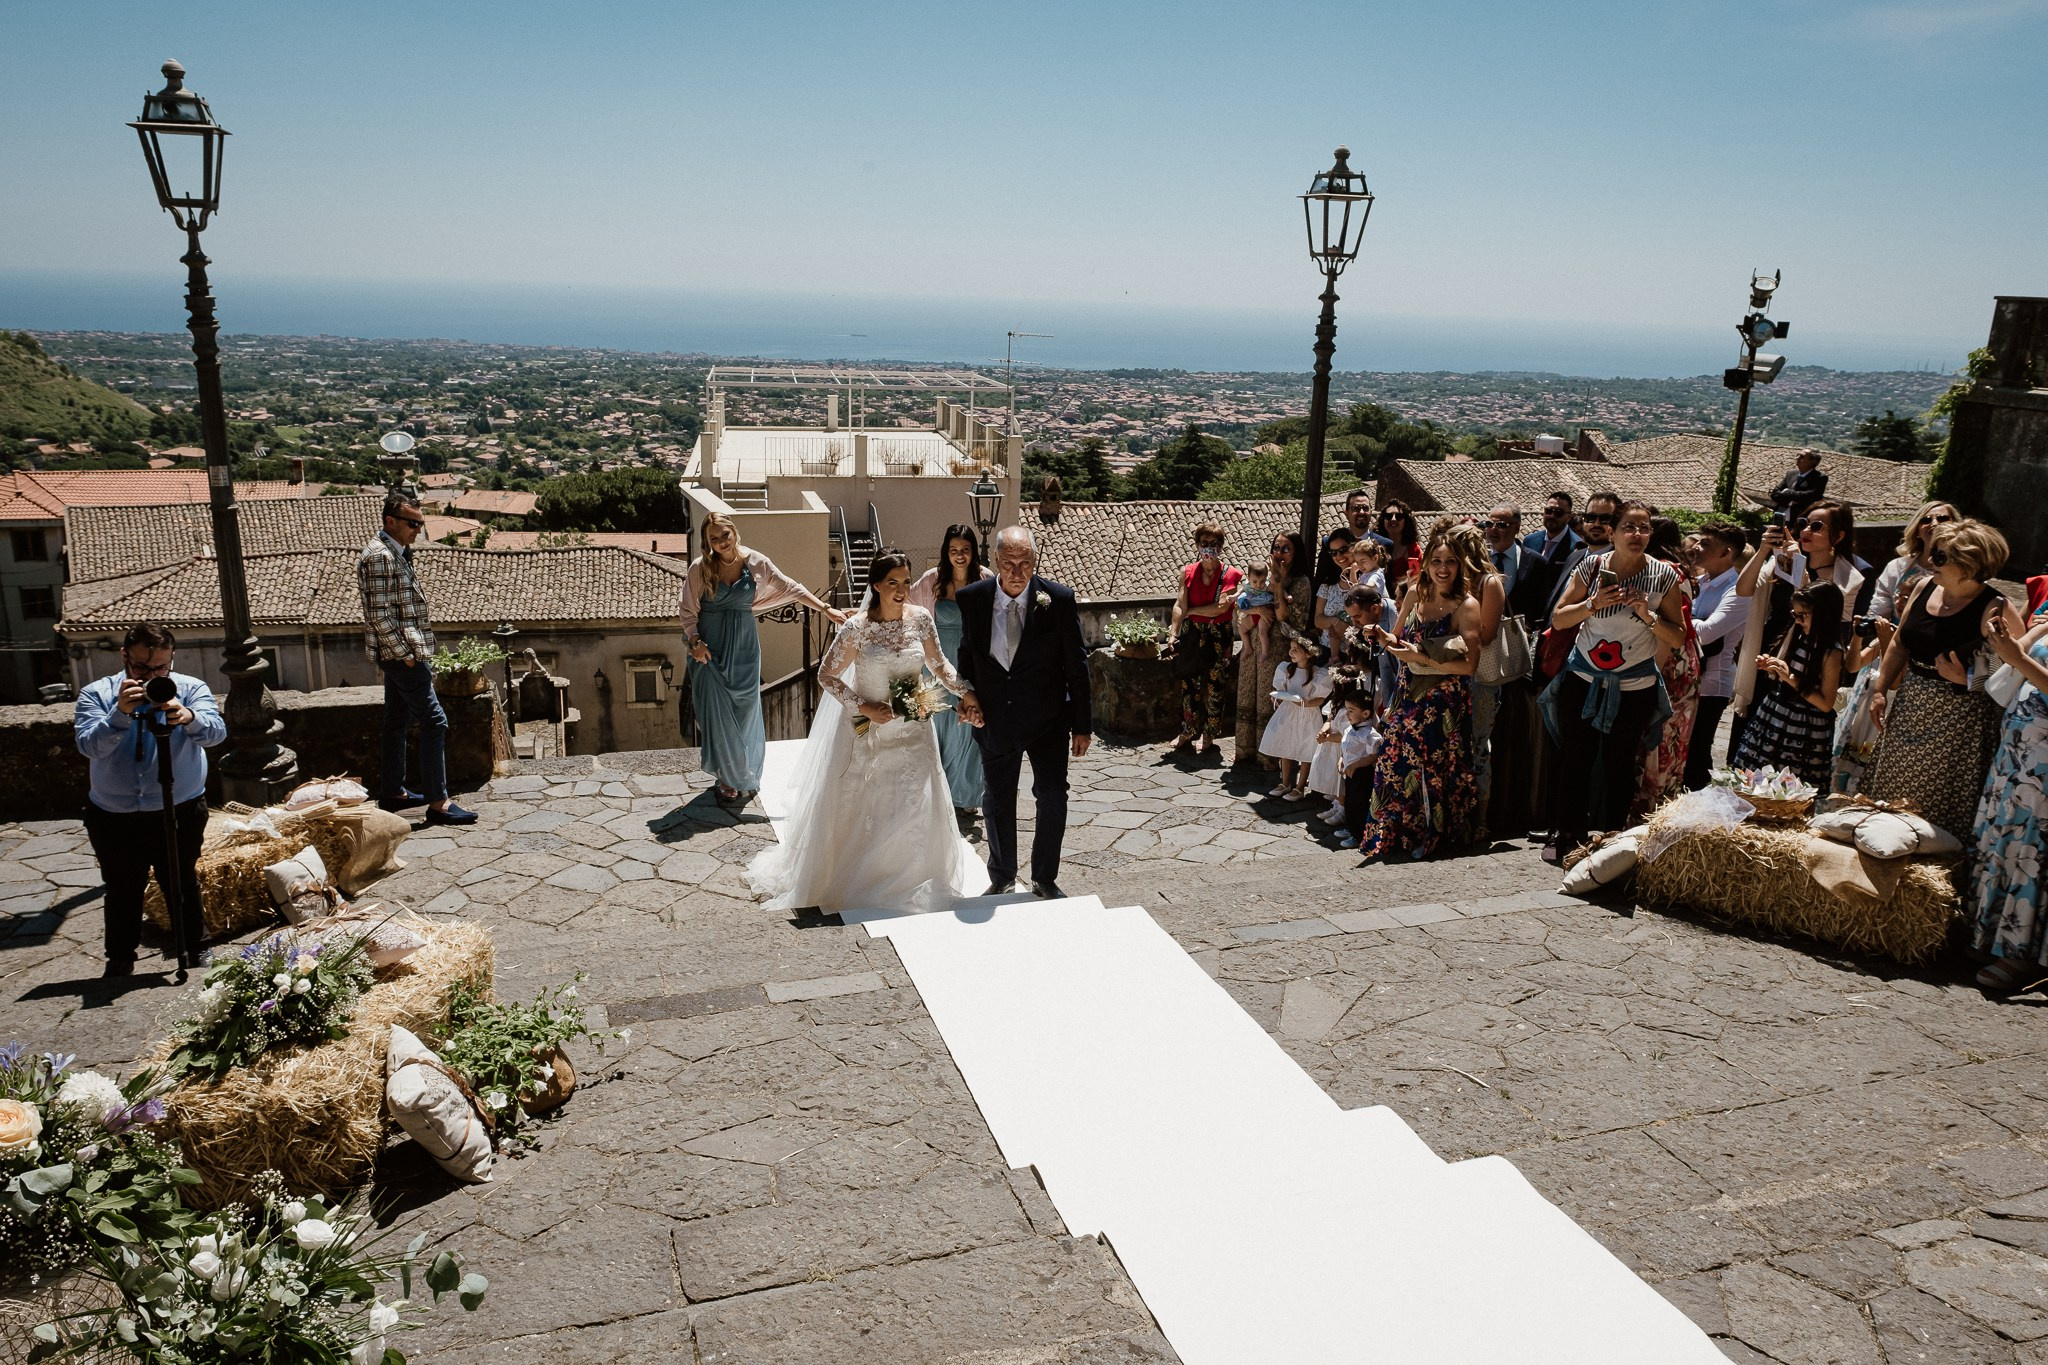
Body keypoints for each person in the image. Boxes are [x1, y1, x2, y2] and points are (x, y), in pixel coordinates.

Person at [747, 551, 986, 914]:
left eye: (906, 582)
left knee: (914, 803)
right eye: (893, 582)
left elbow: (939, 666)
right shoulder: (856, 628)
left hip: (913, 729)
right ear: (875, 585)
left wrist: (966, 692)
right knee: (868, 803)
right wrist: (864, 706)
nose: (902, 589)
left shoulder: (921, 619)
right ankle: (865, 875)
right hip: (867, 730)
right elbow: (826, 675)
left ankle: (913, 877)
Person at [74, 622, 226, 975]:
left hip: (179, 806)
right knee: (122, 886)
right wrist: (119, 715)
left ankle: (195, 947)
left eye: (160, 667)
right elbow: (88, 746)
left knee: (182, 879)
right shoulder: (98, 693)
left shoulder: (189, 688)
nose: (151, 675)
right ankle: (120, 958)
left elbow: (217, 734)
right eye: (141, 667)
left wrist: (187, 716)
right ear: (124, 656)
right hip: (113, 813)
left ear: (172, 658)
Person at [1540, 500, 1685, 861]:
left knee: (1620, 763)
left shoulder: (1665, 576)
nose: (1637, 535)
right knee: (1576, 758)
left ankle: (1613, 840)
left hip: (1634, 687)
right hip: (1584, 680)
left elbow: (1679, 637)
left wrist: (1647, 615)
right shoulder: (1592, 566)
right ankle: (1568, 835)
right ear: (1613, 532)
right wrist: (1592, 604)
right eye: (1629, 527)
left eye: (1644, 528)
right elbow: (1559, 620)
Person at [953, 526, 1093, 898]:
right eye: (1010, 563)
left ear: (1035, 562)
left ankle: (1045, 878)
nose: (1017, 572)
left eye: (1025, 563)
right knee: (997, 798)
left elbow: (1076, 665)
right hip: (995, 719)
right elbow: (966, 655)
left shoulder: (1058, 599)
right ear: (996, 561)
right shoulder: (972, 598)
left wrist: (1083, 725)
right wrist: (965, 696)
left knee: (1052, 794)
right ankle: (1002, 875)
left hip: (1048, 719)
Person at [1859, 519, 2011, 846]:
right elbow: (1900, 642)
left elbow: (2013, 673)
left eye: (1940, 557)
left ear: (1968, 565)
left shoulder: (1995, 608)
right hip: (1910, 705)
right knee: (1890, 796)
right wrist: (1881, 690)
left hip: (1959, 723)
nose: (1929, 562)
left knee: (1933, 810)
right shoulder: (1923, 586)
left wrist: (1970, 678)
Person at [680, 512, 848, 805]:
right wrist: (695, 642)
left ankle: (742, 771)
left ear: (734, 532)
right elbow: (687, 612)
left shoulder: (756, 562)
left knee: (745, 711)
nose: (721, 542)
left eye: (725, 535)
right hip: (710, 649)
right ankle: (727, 778)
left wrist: (825, 609)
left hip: (744, 647)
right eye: (714, 538)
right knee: (717, 716)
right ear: (707, 542)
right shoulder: (700, 568)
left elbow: (791, 587)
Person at [1364, 523, 1483, 862]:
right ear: (1427, 562)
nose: (1443, 569)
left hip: (1444, 700)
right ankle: (1395, 834)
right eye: (1436, 561)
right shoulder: (1415, 592)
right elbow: (1397, 638)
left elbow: (1469, 666)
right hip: (1407, 691)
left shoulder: (1467, 605)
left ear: (1460, 565)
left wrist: (1422, 658)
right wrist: (1379, 635)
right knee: (1395, 763)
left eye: (1450, 562)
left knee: (1431, 769)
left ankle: (1431, 835)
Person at [358, 493, 476, 826]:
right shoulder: (380, 556)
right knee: (435, 721)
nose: (418, 529)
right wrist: (406, 656)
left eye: (420, 523)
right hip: (402, 655)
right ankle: (439, 802)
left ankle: (394, 791)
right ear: (390, 522)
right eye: (413, 523)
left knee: (395, 722)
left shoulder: (396, 552)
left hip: (401, 653)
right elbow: (379, 616)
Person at [1831, 500, 1958, 795]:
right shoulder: (1899, 566)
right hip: (1887, 650)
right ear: (1917, 527)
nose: (1935, 523)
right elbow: (1879, 609)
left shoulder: (1959, 570)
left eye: (1943, 517)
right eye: (1927, 519)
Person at [1731, 498, 1863, 755]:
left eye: (1816, 526)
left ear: (1838, 536)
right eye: (1803, 523)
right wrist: (1763, 551)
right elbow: (1743, 589)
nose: (1805, 531)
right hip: (1768, 648)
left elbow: (1821, 620)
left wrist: (1800, 568)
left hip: (1802, 659)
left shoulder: (1848, 579)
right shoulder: (1782, 559)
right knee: (1750, 734)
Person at [1971, 595, 2048, 992]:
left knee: (2030, 855)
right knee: (2004, 841)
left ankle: (2018, 954)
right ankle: (1989, 936)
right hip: (2016, 757)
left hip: (2043, 769)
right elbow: (2001, 686)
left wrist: (2015, 656)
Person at [909, 524, 991, 813]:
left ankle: (966, 796)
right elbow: (906, 608)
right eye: (954, 550)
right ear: (946, 552)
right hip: (936, 665)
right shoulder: (931, 581)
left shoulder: (985, 579)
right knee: (939, 727)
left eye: (965, 550)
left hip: (972, 664)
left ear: (973, 553)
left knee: (969, 730)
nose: (960, 555)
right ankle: (939, 795)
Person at [1730, 582, 1844, 789]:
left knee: (1788, 785)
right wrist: (1772, 666)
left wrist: (1789, 677)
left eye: (1804, 615)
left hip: (1803, 726)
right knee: (1756, 778)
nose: (1798, 621)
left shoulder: (1831, 652)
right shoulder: (1799, 635)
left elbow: (1826, 703)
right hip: (1776, 713)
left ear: (1824, 614)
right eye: (1795, 615)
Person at [1631, 515, 1701, 820]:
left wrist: (1652, 677)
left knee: (1656, 739)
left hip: (1667, 664)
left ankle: (1645, 815)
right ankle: (1662, 813)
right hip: (1685, 664)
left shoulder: (1663, 572)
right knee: (1673, 742)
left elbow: (1666, 630)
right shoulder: (1681, 570)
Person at [1233, 531, 1313, 769]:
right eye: (1276, 548)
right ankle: (1246, 751)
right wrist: (1255, 611)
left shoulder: (1300, 583)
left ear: (1295, 553)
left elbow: (1282, 615)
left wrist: (1278, 584)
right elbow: (1243, 607)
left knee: (1268, 698)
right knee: (1248, 692)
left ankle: (1269, 756)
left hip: (1279, 646)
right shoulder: (1262, 578)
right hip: (1255, 644)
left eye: (1285, 549)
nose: (1279, 553)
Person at [1683, 520, 1751, 790]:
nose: (1697, 548)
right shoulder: (1700, 582)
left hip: (1711, 684)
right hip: (1689, 677)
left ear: (1727, 553)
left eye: (1706, 544)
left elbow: (1708, 632)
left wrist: (1681, 619)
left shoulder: (1737, 590)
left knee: (1698, 749)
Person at [1165, 521, 1240, 757]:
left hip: (1219, 634)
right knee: (1190, 683)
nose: (1209, 548)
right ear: (1197, 545)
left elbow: (1220, 608)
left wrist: (1190, 611)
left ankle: (1209, 733)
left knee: (1216, 684)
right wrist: (1174, 632)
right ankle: (1188, 729)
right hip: (1192, 634)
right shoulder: (1188, 572)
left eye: (1214, 544)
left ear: (1221, 547)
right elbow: (1179, 603)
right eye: (1204, 543)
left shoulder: (1231, 574)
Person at [1260, 633, 1330, 801]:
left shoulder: (1318, 674)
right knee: (1286, 744)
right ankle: (1285, 782)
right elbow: (1281, 689)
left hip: (1307, 714)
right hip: (1288, 712)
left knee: (1305, 747)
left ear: (1308, 654)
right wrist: (1278, 696)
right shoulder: (1285, 669)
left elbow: (1320, 698)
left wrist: (1306, 703)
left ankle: (1300, 786)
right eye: (1291, 649)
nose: (1291, 653)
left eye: (1296, 650)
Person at [1335, 680, 1384, 851]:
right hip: (1349, 772)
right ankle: (1351, 827)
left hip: (1362, 773)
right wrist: (1342, 760)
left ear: (1365, 713)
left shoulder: (1369, 734)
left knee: (1360, 803)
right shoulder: (1350, 729)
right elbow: (1345, 747)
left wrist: (1355, 765)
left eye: (1351, 711)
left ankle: (1359, 835)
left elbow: (1373, 755)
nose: (1347, 714)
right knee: (1349, 801)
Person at [1312, 527, 1359, 654]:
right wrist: (1334, 622)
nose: (1339, 556)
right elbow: (1318, 619)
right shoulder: (1328, 584)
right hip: (1327, 651)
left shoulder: (1367, 580)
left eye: (1343, 550)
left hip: (1356, 654)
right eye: (1333, 552)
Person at [1769, 448, 1829, 523]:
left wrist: (1787, 493)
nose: (1797, 458)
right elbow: (1774, 494)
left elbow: (1811, 496)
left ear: (1812, 462)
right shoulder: (1791, 474)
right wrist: (1792, 500)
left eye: (1801, 457)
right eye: (1797, 455)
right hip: (1780, 517)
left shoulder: (1819, 478)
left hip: (1798, 521)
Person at [1377, 501, 1421, 594]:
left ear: (1406, 520)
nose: (1393, 519)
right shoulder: (1375, 545)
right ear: (1383, 520)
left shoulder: (1413, 549)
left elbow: (1418, 578)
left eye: (1398, 516)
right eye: (1388, 516)